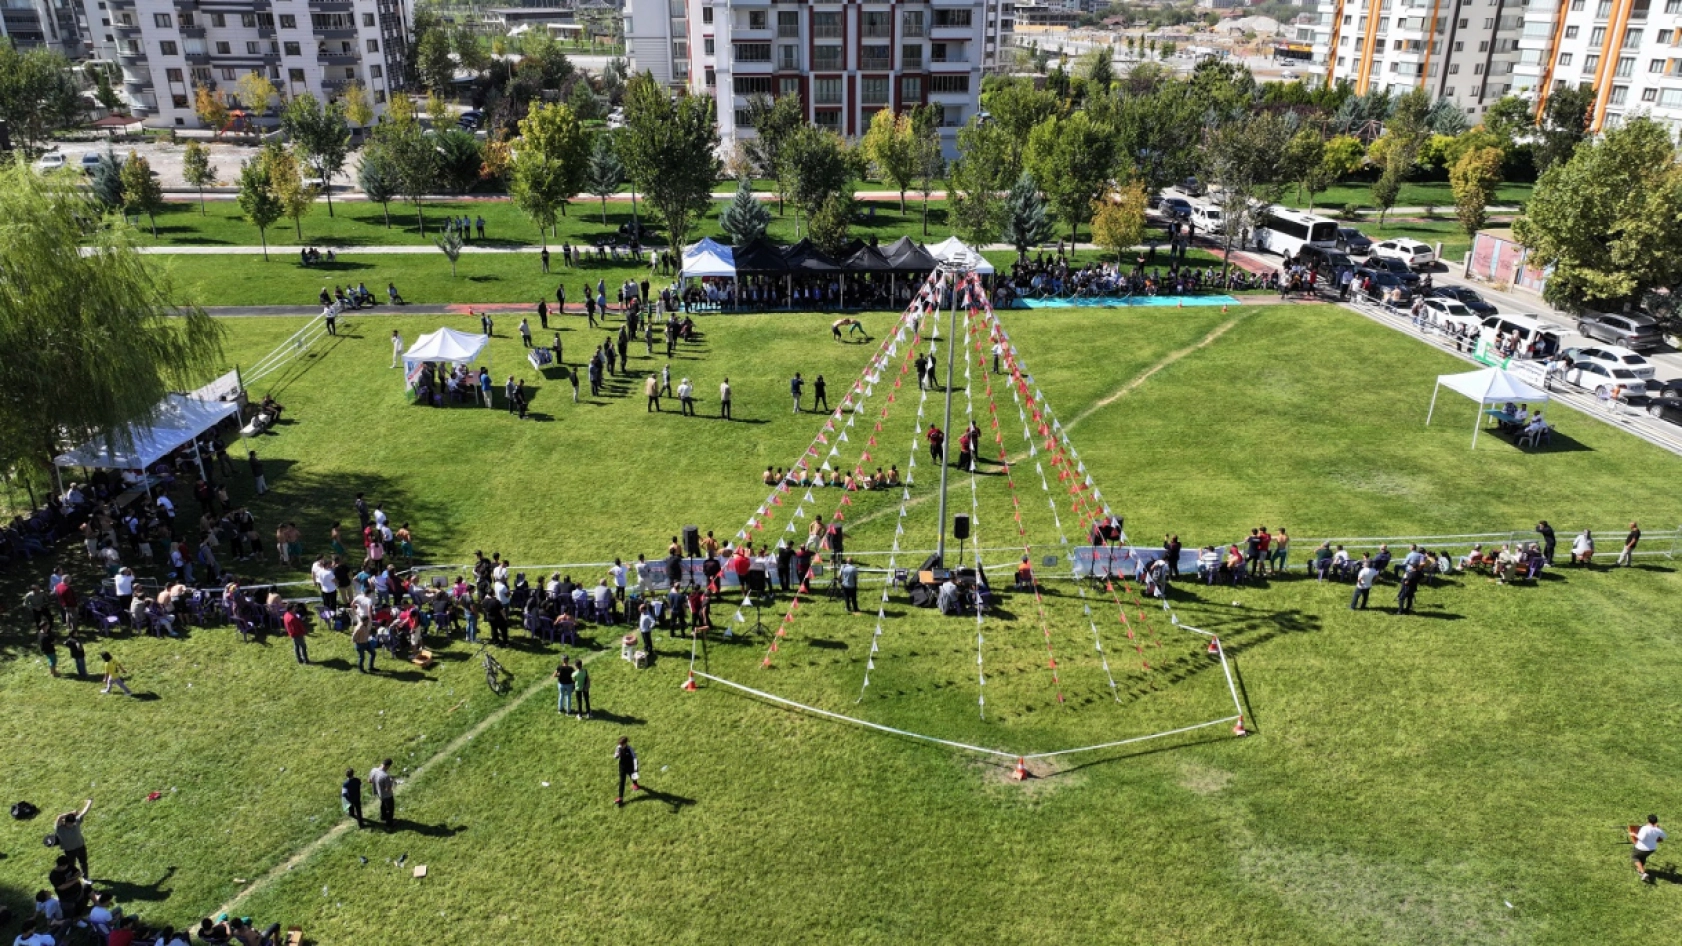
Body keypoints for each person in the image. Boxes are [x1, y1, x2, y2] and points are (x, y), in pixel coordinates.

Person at [54, 799, 92, 877]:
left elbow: (84, 812)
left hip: (80, 847)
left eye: (72, 823)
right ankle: (72, 878)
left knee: (83, 862)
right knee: (70, 865)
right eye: (69, 823)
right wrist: (71, 813)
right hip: (69, 851)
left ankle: (85, 877)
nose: (71, 825)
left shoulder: (76, 822)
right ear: (65, 822)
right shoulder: (60, 828)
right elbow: (59, 817)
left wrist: (89, 802)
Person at [1633, 813, 1665, 882]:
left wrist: (1634, 834)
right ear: (1656, 821)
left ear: (1648, 820)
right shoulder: (1658, 830)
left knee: (1635, 857)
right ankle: (1640, 870)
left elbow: (1641, 838)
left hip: (1641, 848)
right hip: (1651, 849)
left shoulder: (1644, 828)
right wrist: (1658, 829)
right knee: (1643, 857)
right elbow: (1664, 836)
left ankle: (1643, 873)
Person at [613, 736, 641, 806]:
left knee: (633, 776)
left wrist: (635, 768)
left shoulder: (630, 749)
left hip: (630, 766)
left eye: (622, 744)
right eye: (620, 744)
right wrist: (617, 755)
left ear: (626, 743)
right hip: (622, 767)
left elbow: (634, 758)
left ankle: (635, 784)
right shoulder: (618, 747)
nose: (620, 746)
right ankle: (620, 798)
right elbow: (615, 755)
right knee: (622, 781)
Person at [369, 758, 395, 830]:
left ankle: (383, 817)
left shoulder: (373, 770)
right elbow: (388, 789)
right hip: (387, 795)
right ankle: (389, 824)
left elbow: (369, 781)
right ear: (388, 766)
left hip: (378, 793)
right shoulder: (385, 776)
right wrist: (391, 781)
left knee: (383, 804)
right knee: (390, 809)